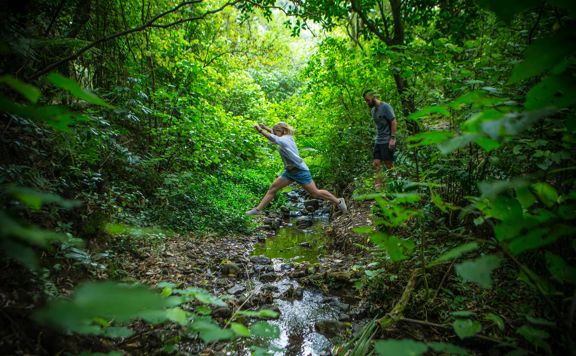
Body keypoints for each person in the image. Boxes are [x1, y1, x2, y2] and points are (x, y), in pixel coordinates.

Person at [246, 122, 347, 215]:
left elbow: (273, 138)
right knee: (273, 188)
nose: (275, 133)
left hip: (300, 171)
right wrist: (265, 128)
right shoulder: (287, 136)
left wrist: (260, 130)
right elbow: (274, 134)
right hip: (289, 173)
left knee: (315, 193)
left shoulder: (284, 140)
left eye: (276, 131)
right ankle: (257, 210)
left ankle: (339, 201)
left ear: (282, 131)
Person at [363, 90, 397, 190]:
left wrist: (392, 138)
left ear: (373, 98)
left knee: (389, 164)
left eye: (368, 100)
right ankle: (379, 188)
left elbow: (394, 122)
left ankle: (396, 183)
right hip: (379, 140)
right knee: (376, 163)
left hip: (387, 139)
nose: (367, 103)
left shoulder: (386, 107)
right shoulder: (373, 110)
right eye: (366, 101)